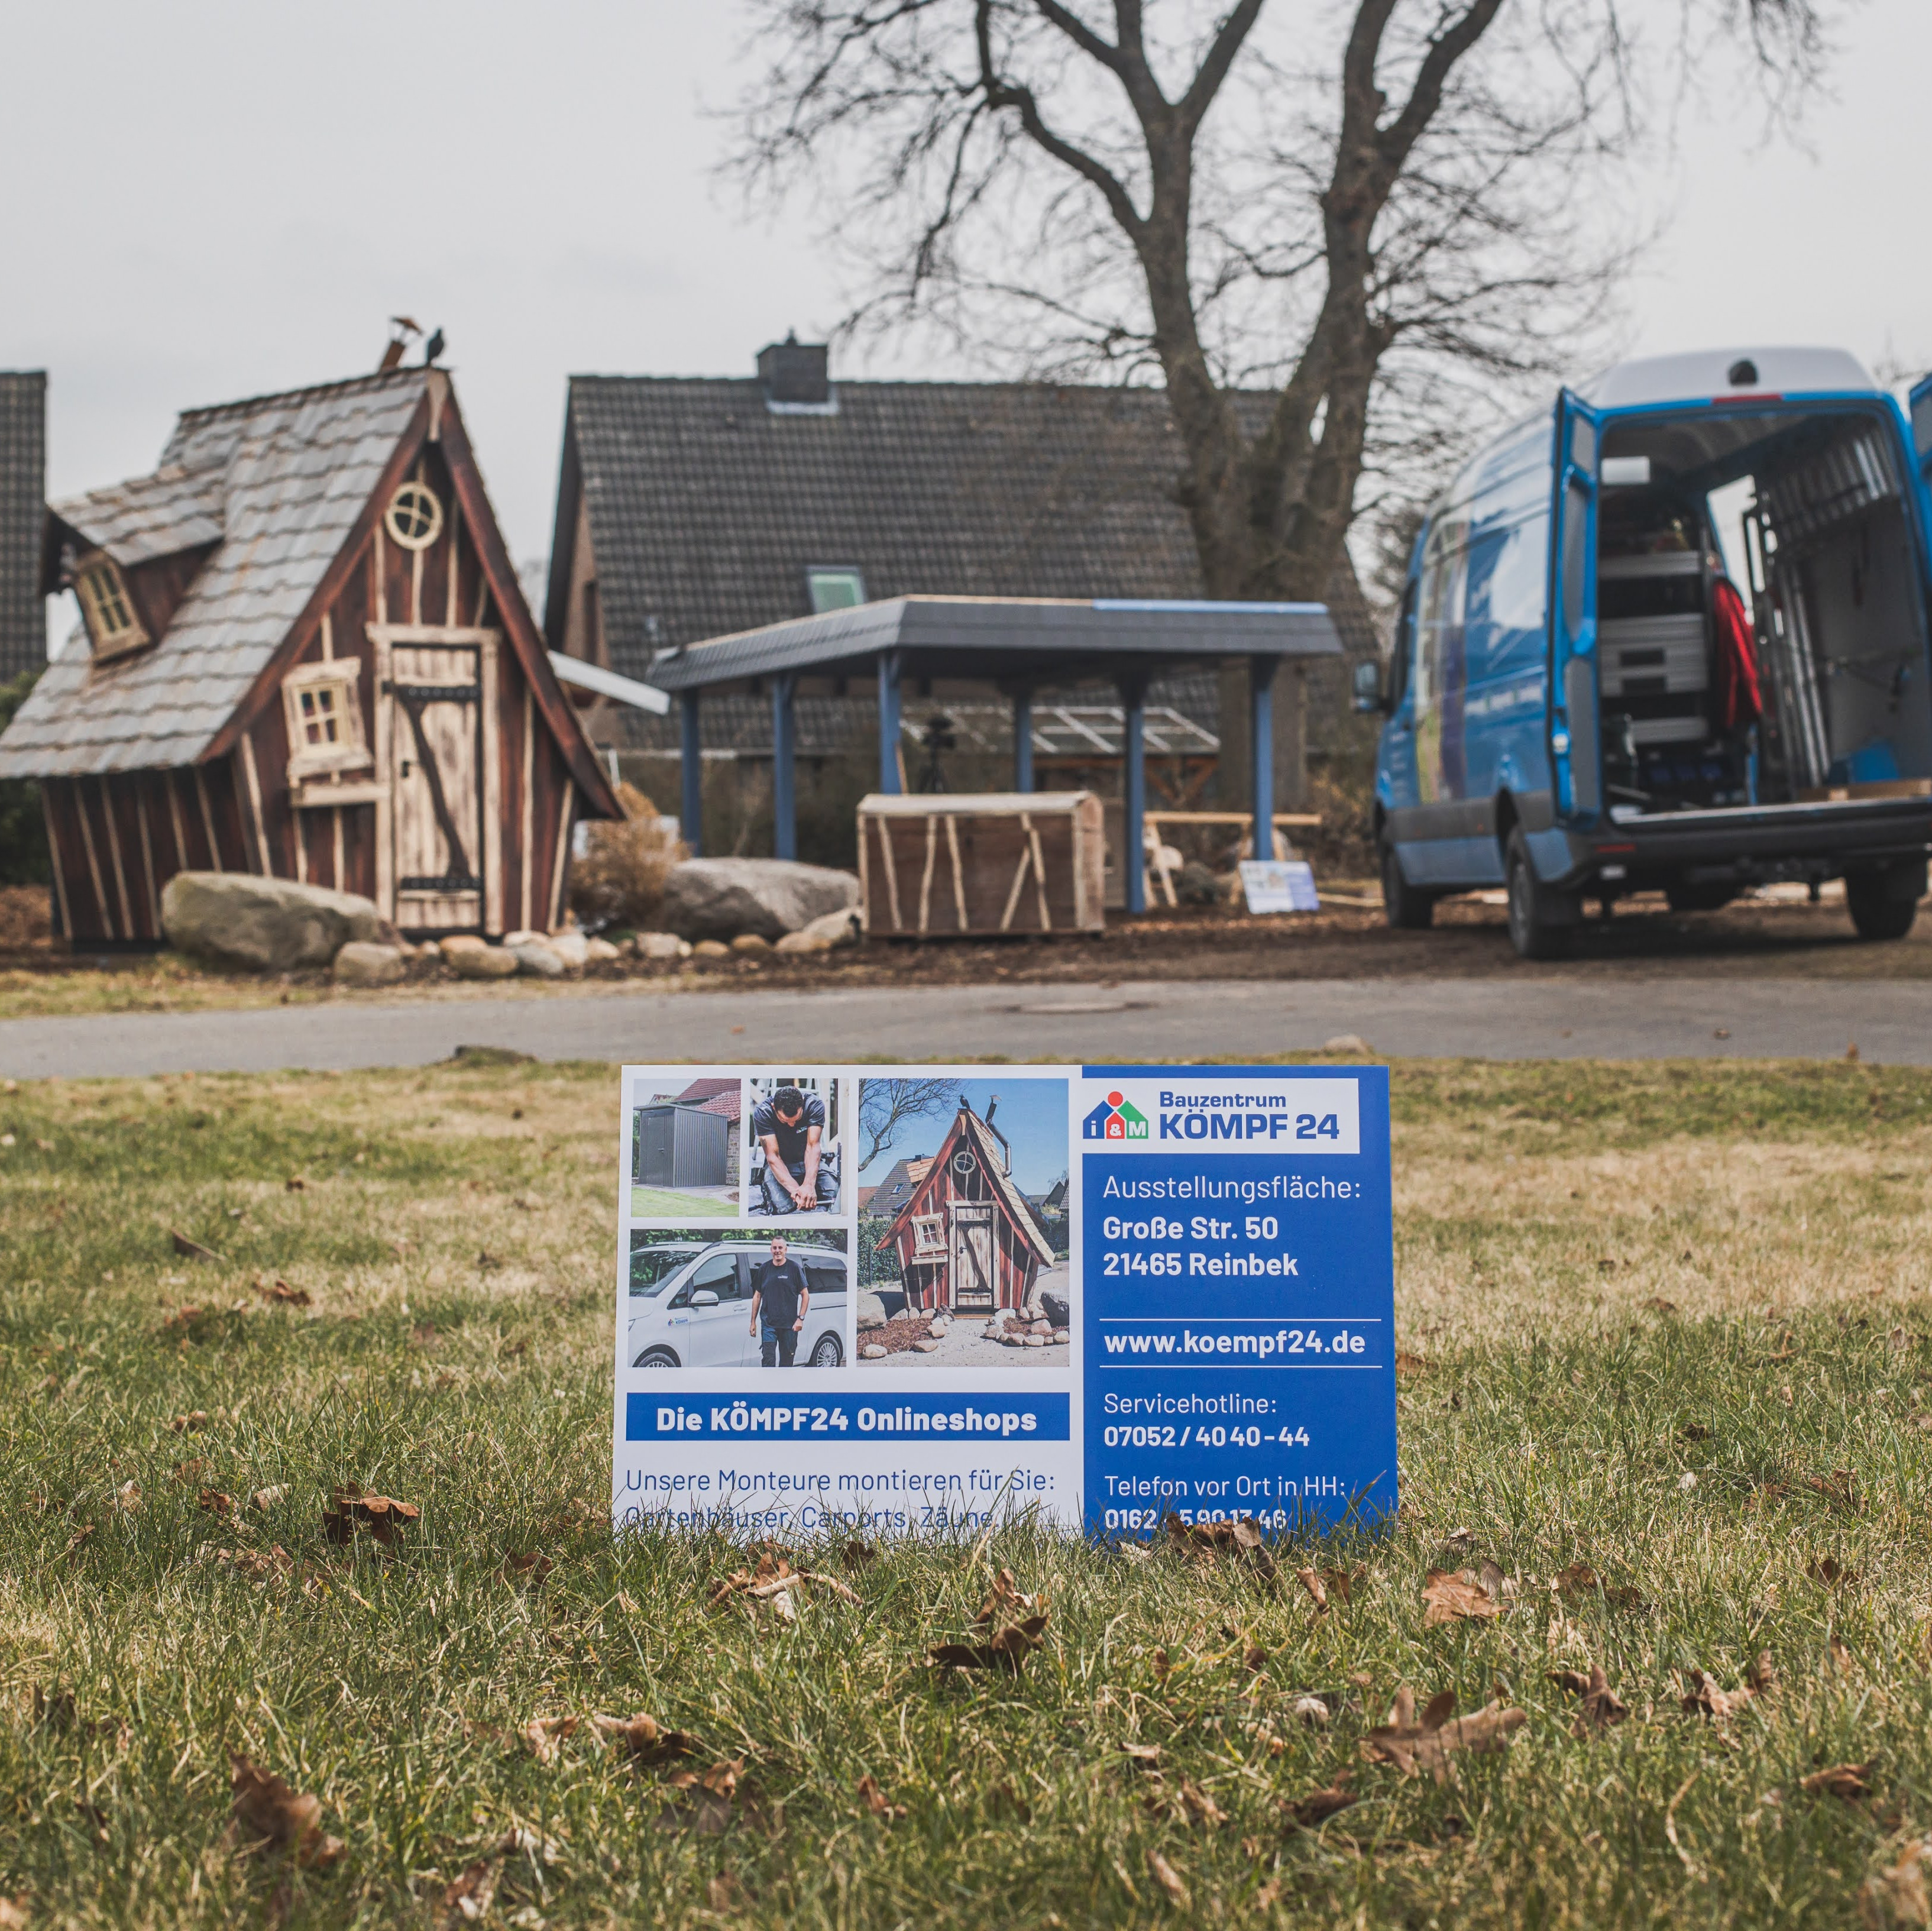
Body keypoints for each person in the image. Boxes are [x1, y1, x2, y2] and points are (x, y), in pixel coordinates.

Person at [752, 1083, 837, 1215]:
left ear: (802, 1104)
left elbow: (813, 1147)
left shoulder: (814, 1106)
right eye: (785, 1121)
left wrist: (809, 1185)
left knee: (835, 1198)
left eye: (796, 1120)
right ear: (774, 1107)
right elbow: (774, 1157)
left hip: (808, 1162)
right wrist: (796, 1191)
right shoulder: (763, 1113)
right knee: (783, 1207)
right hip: (781, 1165)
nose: (792, 1125)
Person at [747, 1235, 810, 1368]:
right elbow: (757, 1296)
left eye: (780, 1248)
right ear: (771, 1250)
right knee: (768, 1361)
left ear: (786, 1250)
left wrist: (801, 1319)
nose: (777, 1251)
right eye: (774, 1248)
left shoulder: (794, 1268)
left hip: (790, 1326)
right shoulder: (764, 1269)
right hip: (769, 1324)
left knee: (786, 1364)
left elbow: (805, 1295)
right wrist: (753, 1322)